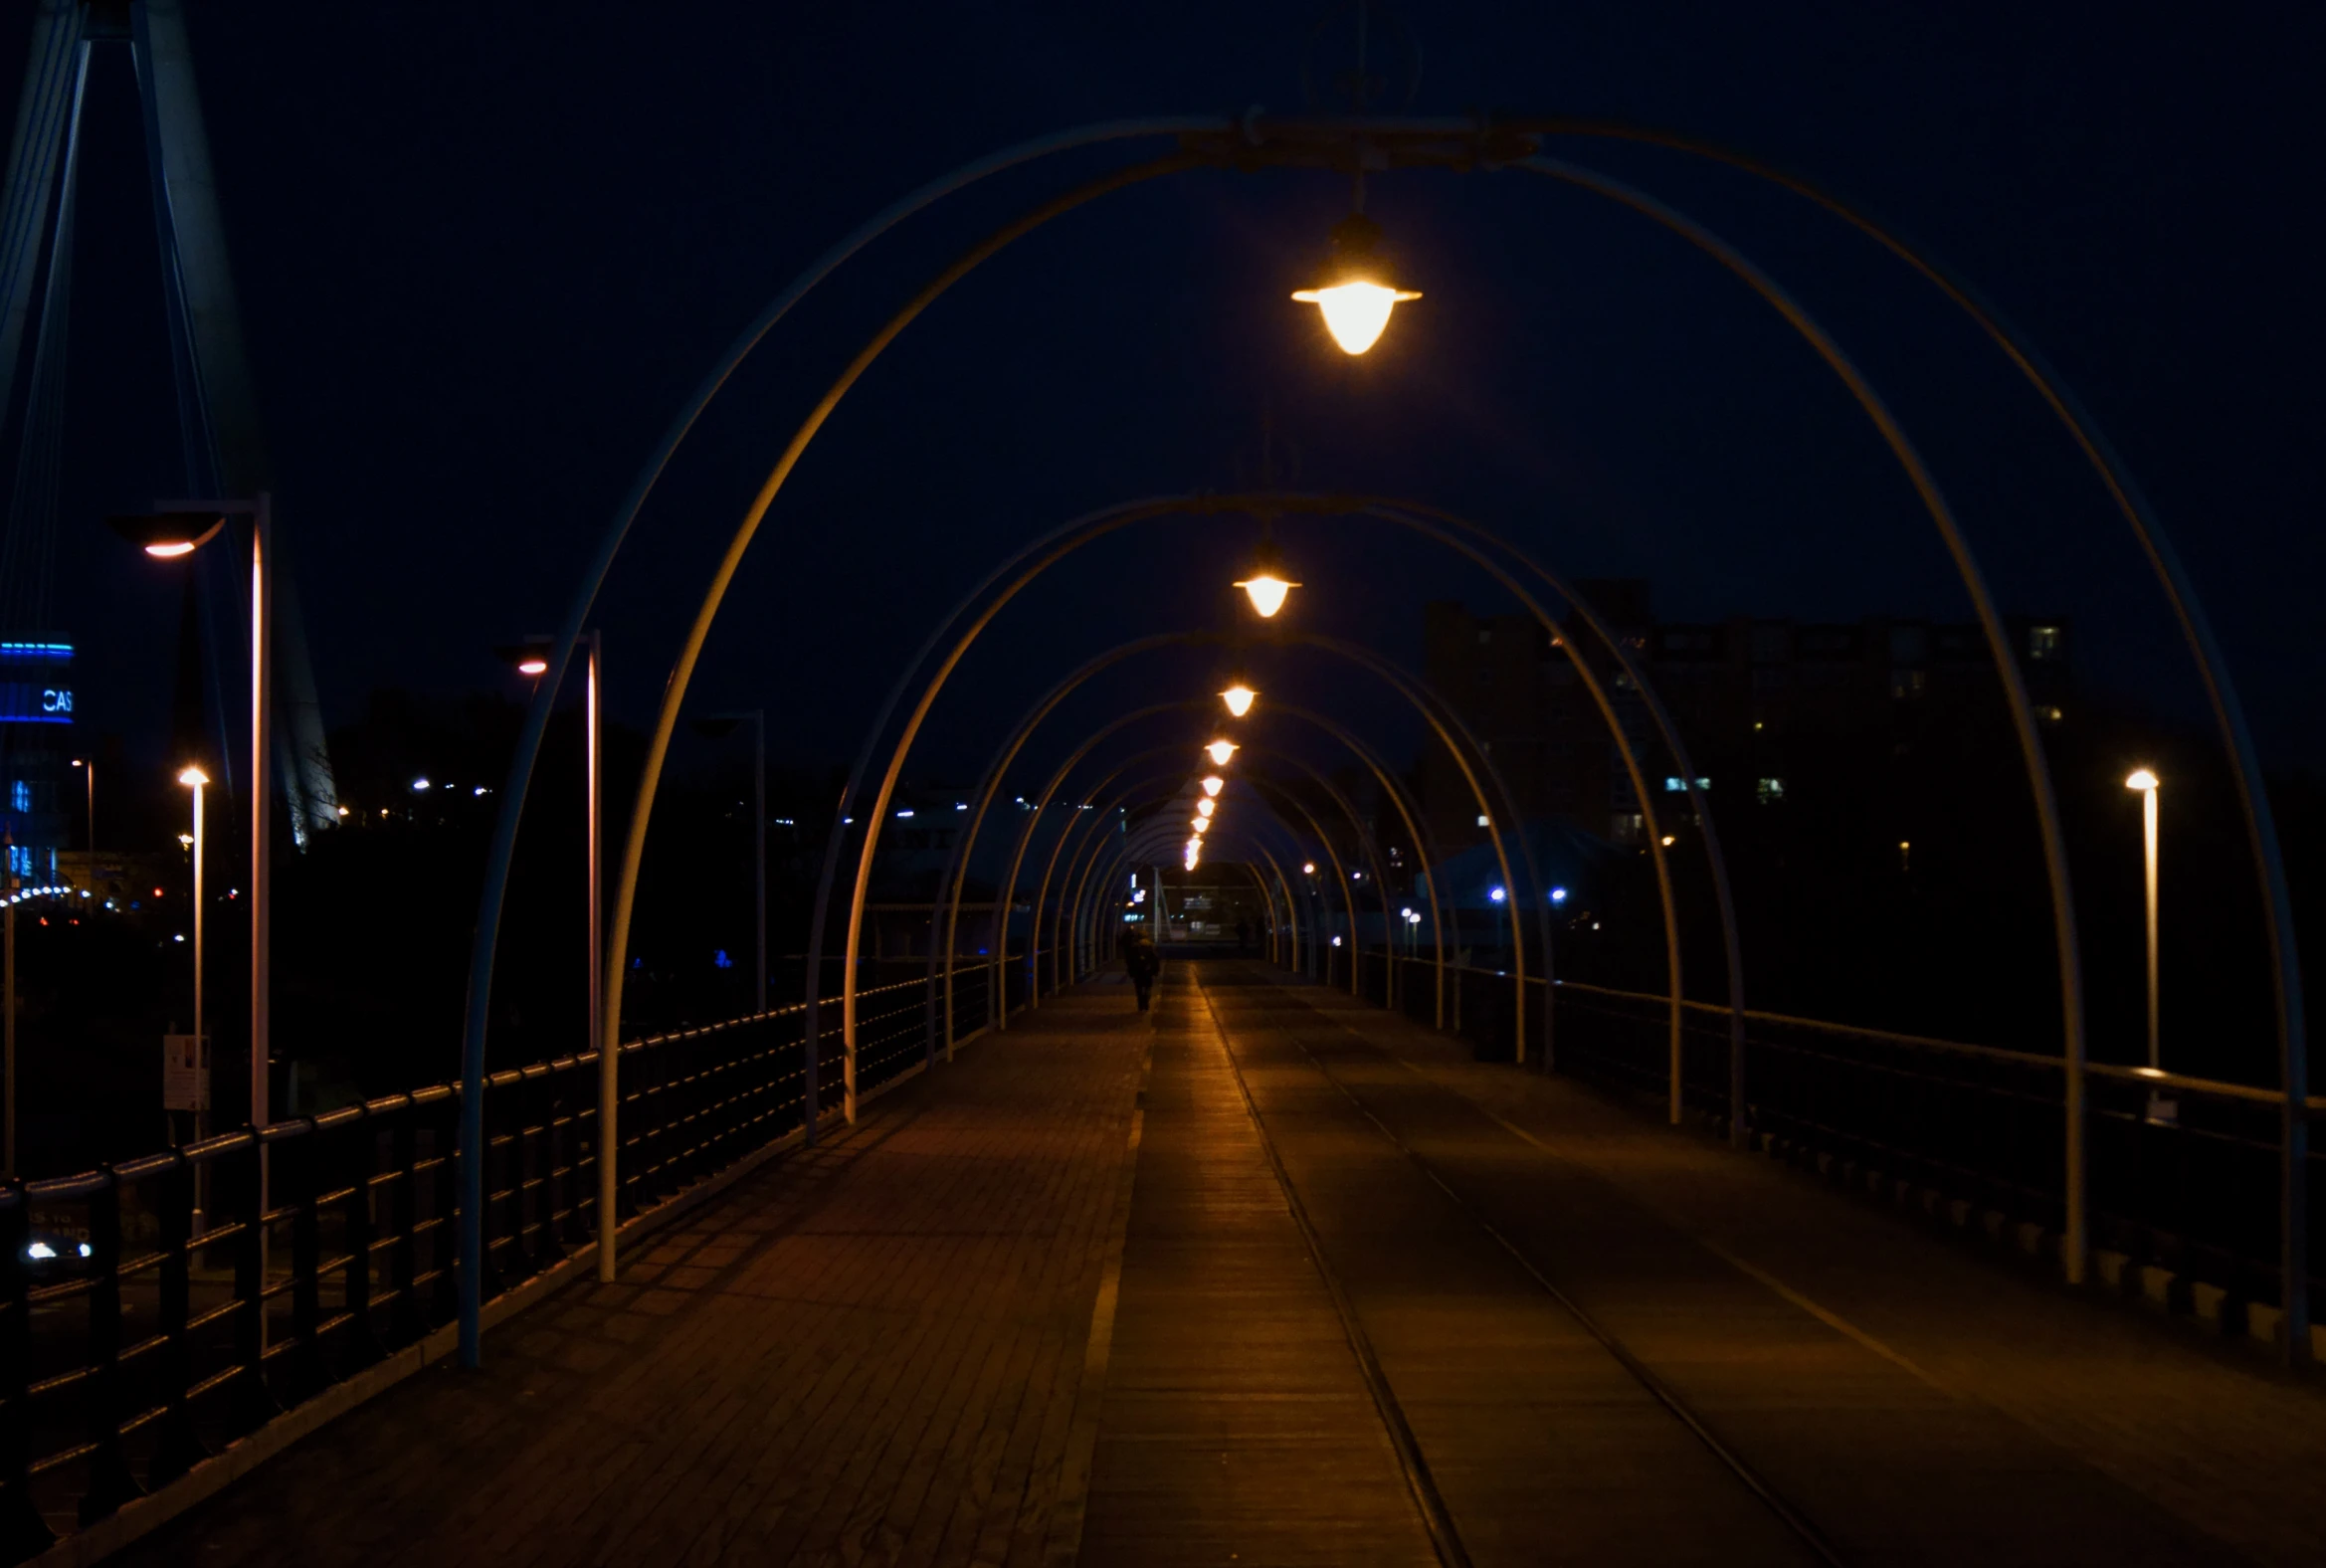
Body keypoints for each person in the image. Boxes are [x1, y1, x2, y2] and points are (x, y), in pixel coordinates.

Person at [1122, 928, 1161, 1013]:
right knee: (1148, 987)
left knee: (1138, 988)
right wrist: (1156, 970)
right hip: (1148, 970)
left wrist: (1130, 971)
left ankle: (1140, 1004)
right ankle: (1146, 1000)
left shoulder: (1134, 947)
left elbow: (1130, 960)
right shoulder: (1151, 946)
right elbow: (1155, 959)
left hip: (1137, 971)